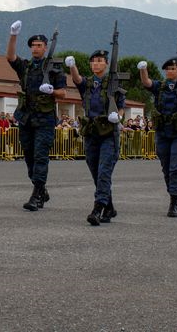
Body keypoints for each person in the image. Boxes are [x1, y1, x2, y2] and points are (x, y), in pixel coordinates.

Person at [6, 20, 67, 211]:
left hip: (45, 118)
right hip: (26, 118)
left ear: (45, 47)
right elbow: (10, 57)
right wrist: (13, 35)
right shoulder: (26, 66)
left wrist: (52, 91)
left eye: (39, 46)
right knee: (29, 157)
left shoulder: (55, 68)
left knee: (40, 156)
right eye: (33, 45)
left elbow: (63, 93)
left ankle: (36, 195)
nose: (35, 48)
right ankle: (41, 189)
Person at [66, 49, 124, 226]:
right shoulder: (88, 83)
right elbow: (76, 79)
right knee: (95, 172)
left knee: (104, 171)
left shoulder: (114, 83)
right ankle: (110, 207)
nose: (96, 63)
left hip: (108, 132)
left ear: (106, 64)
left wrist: (118, 117)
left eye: (100, 60)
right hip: (91, 132)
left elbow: (121, 107)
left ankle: (98, 208)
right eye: (93, 61)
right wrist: (72, 66)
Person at [139, 57, 177, 218]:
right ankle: (172, 193)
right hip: (163, 132)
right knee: (166, 167)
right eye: (168, 69)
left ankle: (174, 201)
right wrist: (143, 70)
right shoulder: (161, 86)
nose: (170, 71)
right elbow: (147, 83)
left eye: (173, 68)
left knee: (175, 168)